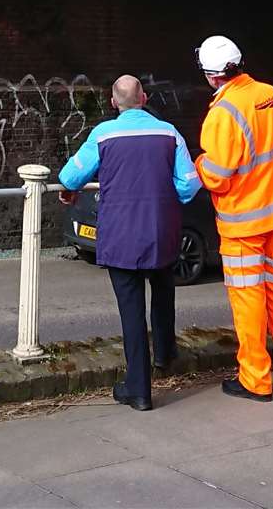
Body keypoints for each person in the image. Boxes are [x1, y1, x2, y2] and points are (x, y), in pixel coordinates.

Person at [57, 74, 201, 412]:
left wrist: (69, 188)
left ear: (113, 103)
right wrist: (167, 197)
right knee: (164, 292)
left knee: (131, 311)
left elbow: (71, 175)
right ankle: (165, 353)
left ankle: (138, 389)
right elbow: (190, 184)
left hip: (121, 235)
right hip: (162, 230)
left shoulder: (103, 134)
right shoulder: (169, 133)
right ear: (144, 98)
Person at [193, 35, 273, 402]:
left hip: (243, 221)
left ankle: (255, 378)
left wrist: (198, 162)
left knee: (248, 298)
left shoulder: (224, 112)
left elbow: (216, 173)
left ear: (212, 76)